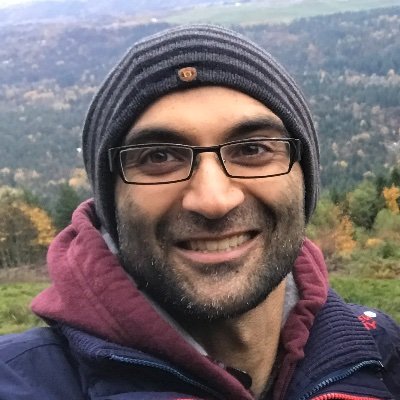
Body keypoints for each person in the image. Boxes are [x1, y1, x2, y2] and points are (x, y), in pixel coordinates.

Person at [0, 24, 399, 400]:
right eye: (159, 157)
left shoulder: (383, 355)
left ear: (305, 179)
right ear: (110, 202)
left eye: (252, 149)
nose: (213, 201)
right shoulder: (20, 381)